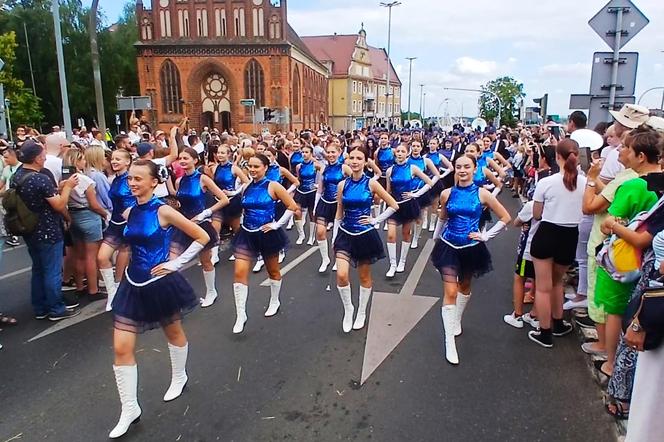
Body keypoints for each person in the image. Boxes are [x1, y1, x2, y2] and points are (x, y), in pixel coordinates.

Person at [109, 159, 209, 439]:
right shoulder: (130, 212)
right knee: (120, 347)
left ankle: (179, 375)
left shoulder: (164, 210)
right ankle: (129, 408)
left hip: (160, 282)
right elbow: (128, 243)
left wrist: (176, 264)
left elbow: (200, 236)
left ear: (154, 181)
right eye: (130, 178)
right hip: (132, 283)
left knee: (173, 331)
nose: (132, 183)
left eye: (138, 179)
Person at [431, 153, 511, 364]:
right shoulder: (447, 193)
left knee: (464, 286)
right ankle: (450, 342)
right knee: (450, 291)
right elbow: (442, 218)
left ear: (475, 169)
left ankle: (457, 319)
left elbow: (505, 217)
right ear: (455, 169)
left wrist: (486, 235)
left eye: (467, 166)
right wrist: (435, 240)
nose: (463, 170)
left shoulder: (483, 194)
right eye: (459, 166)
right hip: (448, 246)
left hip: (471, 248)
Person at [528, 139, 587, 348]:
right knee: (557, 282)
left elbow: (536, 214)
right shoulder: (585, 182)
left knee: (543, 287)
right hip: (570, 235)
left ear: (557, 157)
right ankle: (558, 323)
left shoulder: (546, 182)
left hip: (547, 232)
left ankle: (545, 332)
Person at [333, 146, 399, 332]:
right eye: (351, 157)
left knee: (364, 276)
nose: (354, 161)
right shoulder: (342, 185)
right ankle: (348, 309)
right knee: (341, 274)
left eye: (359, 158)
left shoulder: (371, 184)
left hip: (364, 235)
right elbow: (339, 212)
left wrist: (375, 220)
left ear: (365, 161)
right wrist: (335, 237)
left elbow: (393, 205)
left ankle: (361, 311)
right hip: (345, 234)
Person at [13, 141, 81, 320]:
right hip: (47, 229)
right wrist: (67, 188)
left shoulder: (18, 174)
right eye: (42, 154)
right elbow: (58, 204)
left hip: (29, 228)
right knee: (52, 270)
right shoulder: (39, 178)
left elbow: (42, 195)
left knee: (38, 269)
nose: (45, 157)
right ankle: (56, 309)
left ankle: (40, 307)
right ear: (36, 158)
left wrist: (58, 188)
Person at [231, 154, 298, 334]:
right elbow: (244, 209)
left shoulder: (273, 186)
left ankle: (274, 300)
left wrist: (276, 224)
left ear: (265, 167)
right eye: (250, 166)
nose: (252, 170)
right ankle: (241, 314)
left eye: (256, 167)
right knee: (239, 272)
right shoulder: (245, 187)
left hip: (267, 234)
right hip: (247, 234)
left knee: (273, 271)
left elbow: (293, 207)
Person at [172, 147, 229, 308]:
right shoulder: (179, 181)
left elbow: (224, 199)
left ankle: (211, 291)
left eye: (186, 158)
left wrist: (205, 213)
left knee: (205, 261)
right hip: (183, 224)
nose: (182, 161)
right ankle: (179, 296)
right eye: (180, 158)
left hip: (201, 225)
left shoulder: (203, 179)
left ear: (195, 160)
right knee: (173, 260)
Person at [62, 149, 109, 302]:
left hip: (73, 216)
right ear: (76, 162)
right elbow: (94, 204)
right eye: (81, 159)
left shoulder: (63, 181)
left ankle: (80, 287)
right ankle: (93, 290)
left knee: (79, 255)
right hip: (88, 216)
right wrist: (104, 214)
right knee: (91, 256)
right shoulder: (85, 180)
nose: (84, 162)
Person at [385, 143, 433, 278]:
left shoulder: (413, 168)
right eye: (398, 151)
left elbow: (429, 182)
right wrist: (385, 208)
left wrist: (416, 194)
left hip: (408, 205)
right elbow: (388, 191)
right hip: (394, 206)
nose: (399, 153)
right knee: (391, 235)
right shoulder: (390, 170)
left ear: (407, 153)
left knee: (406, 233)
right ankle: (392, 264)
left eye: (402, 151)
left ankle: (402, 261)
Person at [98, 149, 135, 311]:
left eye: (118, 159)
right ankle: (112, 291)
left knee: (124, 254)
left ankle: (118, 290)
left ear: (127, 162)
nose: (114, 161)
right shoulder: (115, 179)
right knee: (102, 257)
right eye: (113, 159)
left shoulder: (131, 179)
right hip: (114, 223)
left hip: (128, 224)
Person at [207, 142, 249, 263]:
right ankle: (215, 255)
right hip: (218, 202)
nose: (219, 155)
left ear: (229, 154)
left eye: (222, 153)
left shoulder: (234, 168)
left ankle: (239, 249)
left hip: (232, 202)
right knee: (215, 228)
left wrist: (235, 192)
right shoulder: (214, 168)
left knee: (235, 227)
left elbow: (246, 182)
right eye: (218, 153)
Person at [315, 142, 352, 273]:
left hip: (339, 205)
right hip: (325, 202)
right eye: (328, 152)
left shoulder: (344, 168)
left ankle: (338, 259)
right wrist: (315, 206)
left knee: (338, 235)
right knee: (320, 232)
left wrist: (346, 194)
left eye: (333, 152)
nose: (330, 155)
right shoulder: (323, 168)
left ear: (339, 152)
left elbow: (356, 182)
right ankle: (325, 259)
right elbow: (320, 188)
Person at [408, 139, 441, 248]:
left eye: (418, 146)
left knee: (419, 216)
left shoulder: (425, 161)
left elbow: (437, 175)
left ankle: (415, 238)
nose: (416, 148)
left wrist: (429, 185)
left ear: (421, 148)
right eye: (414, 146)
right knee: (408, 217)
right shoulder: (406, 160)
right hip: (407, 193)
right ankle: (409, 235)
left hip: (421, 191)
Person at [293, 145, 323, 245]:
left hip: (311, 191)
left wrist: (318, 184)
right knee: (296, 212)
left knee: (312, 214)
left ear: (311, 153)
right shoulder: (299, 166)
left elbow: (324, 173)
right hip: (301, 190)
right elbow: (298, 178)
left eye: (306, 152)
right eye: (303, 152)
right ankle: (301, 234)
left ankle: (311, 237)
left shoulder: (316, 165)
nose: (304, 154)